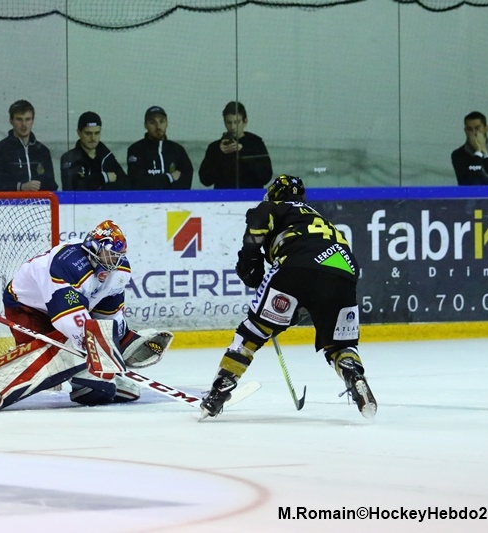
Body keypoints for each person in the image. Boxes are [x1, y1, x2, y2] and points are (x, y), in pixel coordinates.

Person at [200, 175, 377, 420]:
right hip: (343, 274)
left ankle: (220, 389)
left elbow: (256, 226)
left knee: (253, 333)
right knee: (340, 345)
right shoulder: (318, 218)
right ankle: (352, 372)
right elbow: (317, 277)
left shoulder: (274, 206)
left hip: (295, 268)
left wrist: (250, 262)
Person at [0, 220, 173, 412]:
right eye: (109, 255)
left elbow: (109, 316)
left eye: (118, 256)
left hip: (69, 308)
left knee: (100, 389)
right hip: (28, 308)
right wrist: (95, 350)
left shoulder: (120, 272)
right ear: (94, 248)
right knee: (59, 356)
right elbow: (67, 321)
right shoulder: (67, 264)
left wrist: (121, 342)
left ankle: (86, 381)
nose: (114, 261)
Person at [0, 99, 57, 192]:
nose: (24, 124)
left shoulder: (42, 151)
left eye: (28, 119)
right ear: (11, 121)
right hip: (8, 206)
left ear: (33, 120)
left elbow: (52, 186)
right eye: (19, 119)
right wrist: (20, 187)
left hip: (40, 205)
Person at [199, 101, 273, 189]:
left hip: (250, 198)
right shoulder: (215, 147)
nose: (233, 127)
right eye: (229, 123)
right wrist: (220, 154)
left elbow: (266, 177)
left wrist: (243, 152)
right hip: (224, 198)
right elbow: (205, 180)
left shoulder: (255, 144)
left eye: (237, 122)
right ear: (224, 122)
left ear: (245, 121)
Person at [127, 106, 193, 190]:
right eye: (152, 122)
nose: (158, 126)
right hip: (146, 202)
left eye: (162, 121)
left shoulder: (177, 150)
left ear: (167, 123)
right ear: (145, 125)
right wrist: (169, 177)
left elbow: (186, 183)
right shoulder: (136, 149)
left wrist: (154, 181)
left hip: (173, 201)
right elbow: (137, 182)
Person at [60, 111, 129, 191]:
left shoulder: (107, 155)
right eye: (88, 133)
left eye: (97, 133)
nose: (93, 138)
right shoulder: (69, 158)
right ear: (79, 133)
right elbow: (73, 187)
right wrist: (104, 177)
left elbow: (126, 184)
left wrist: (89, 181)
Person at [451, 111, 488, 186]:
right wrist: (478, 152)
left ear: (486, 129)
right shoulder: (458, 154)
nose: (474, 132)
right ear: (465, 131)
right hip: (469, 196)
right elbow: (468, 182)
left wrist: (485, 151)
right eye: (469, 129)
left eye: (477, 128)